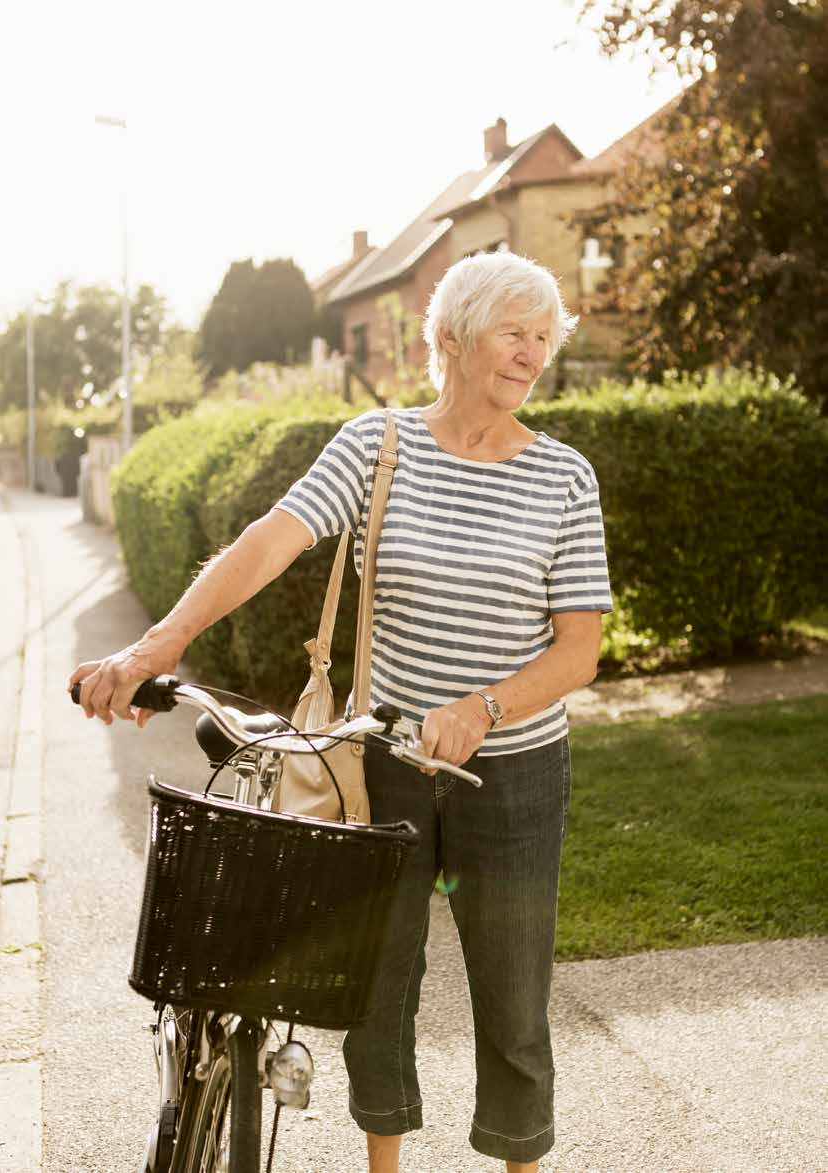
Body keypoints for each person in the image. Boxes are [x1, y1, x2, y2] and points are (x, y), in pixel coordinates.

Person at [70, 250, 612, 1171]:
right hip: (385, 760)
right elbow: (266, 544)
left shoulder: (562, 478)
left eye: (543, 336)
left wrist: (485, 705)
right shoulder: (376, 446)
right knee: (377, 985)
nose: (531, 354)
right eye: (511, 333)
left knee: (514, 1000)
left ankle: (522, 1162)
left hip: (513, 771)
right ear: (449, 340)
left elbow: (578, 648)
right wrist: (156, 645)